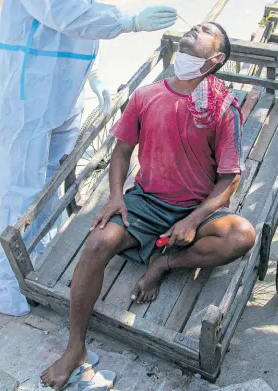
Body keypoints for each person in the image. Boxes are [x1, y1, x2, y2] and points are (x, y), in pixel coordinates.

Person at [0, 0, 177, 317]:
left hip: (64, 93)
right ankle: (6, 286)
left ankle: (38, 264)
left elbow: (79, 30)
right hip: (33, 91)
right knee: (21, 189)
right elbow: (66, 13)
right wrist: (128, 22)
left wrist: (92, 78)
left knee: (52, 187)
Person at [41, 22, 256, 389]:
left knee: (241, 235)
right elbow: (122, 151)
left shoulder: (223, 107)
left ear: (215, 58)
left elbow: (229, 178)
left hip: (198, 207)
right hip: (146, 201)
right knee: (95, 244)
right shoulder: (146, 95)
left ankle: (164, 263)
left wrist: (194, 218)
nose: (196, 27)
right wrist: (115, 196)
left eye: (207, 30)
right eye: (195, 26)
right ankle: (75, 348)